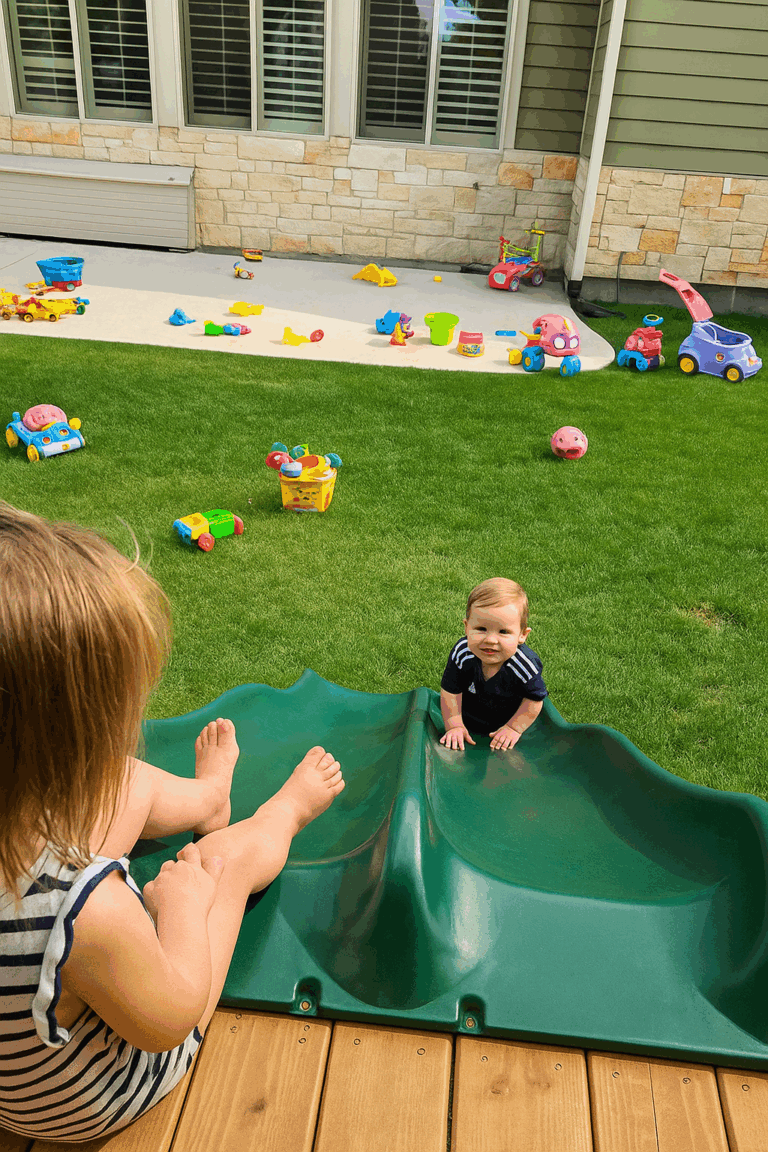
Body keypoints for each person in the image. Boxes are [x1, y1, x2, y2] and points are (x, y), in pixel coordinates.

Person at [0, 501, 345, 1143]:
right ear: (70, 741)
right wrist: (182, 907)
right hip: (100, 1091)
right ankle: (281, 815)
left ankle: (209, 796)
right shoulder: (85, 913)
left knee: (124, 784)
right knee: (217, 865)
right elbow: (170, 1018)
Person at [440, 577, 547, 751]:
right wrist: (454, 725)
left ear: (522, 635)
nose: (490, 640)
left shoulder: (524, 664)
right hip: (469, 716)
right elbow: (451, 690)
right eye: (481, 629)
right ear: (467, 627)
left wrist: (514, 728)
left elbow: (534, 699)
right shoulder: (463, 652)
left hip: (508, 718)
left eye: (503, 632)